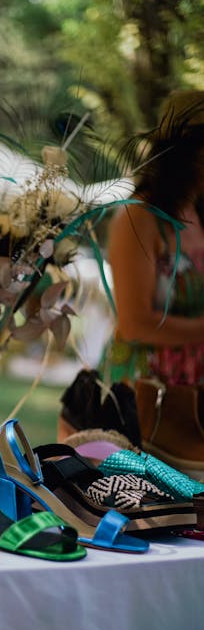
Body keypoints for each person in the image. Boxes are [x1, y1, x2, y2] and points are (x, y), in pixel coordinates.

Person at [103, 89, 204, 473]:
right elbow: (134, 324)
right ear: (190, 152)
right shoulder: (138, 219)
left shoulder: (197, 213)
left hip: (190, 399)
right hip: (147, 400)